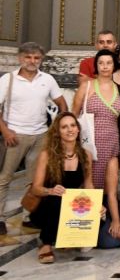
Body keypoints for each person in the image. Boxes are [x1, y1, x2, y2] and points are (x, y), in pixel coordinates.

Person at [0, 42, 68, 235]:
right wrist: (5, 131)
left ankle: (29, 216)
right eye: (28, 57)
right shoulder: (8, 80)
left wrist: (56, 128)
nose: (32, 61)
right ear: (20, 58)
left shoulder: (47, 79)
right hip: (15, 135)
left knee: (34, 180)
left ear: (41, 59)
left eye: (36, 57)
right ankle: (0, 218)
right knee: (4, 178)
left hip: (40, 135)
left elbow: (62, 103)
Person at [30, 113, 96, 263]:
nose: (69, 130)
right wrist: (50, 190)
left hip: (69, 207)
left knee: (98, 215)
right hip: (46, 206)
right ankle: (45, 243)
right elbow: (36, 189)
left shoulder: (86, 155)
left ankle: (64, 235)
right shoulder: (47, 155)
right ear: (57, 131)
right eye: (64, 127)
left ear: (78, 130)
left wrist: (96, 204)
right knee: (56, 200)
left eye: (73, 125)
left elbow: (88, 184)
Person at [72, 49, 120, 189]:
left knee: (109, 185)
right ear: (96, 66)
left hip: (112, 144)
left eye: (109, 63)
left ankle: (106, 210)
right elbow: (73, 115)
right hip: (89, 144)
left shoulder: (119, 89)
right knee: (88, 183)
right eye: (101, 63)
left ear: (114, 65)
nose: (105, 66)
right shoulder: (87, 86)